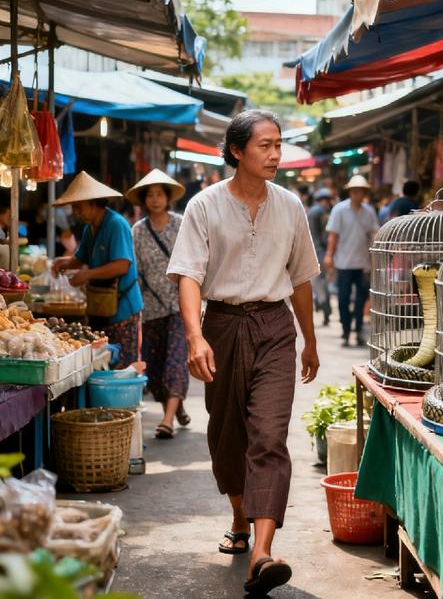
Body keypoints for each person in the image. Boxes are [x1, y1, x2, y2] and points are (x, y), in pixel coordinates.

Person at [167, 109, 320, 595]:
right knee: (227, 432)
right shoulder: (204, 206)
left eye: (279, 145)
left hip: (275, 326)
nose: (276, 155)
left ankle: (262, 552)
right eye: (266, 146)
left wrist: (310, 339)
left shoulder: (292, 206)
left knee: (270, 435)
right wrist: (195, 336)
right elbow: (188, 274)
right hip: (224, 326)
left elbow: (300, 278)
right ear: (237, 150)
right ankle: (239, 514)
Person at [51, 173, 144, 369]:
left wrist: (88, 274)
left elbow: (122, 265)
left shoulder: (115, 224)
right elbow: (81, 258)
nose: (76, 211)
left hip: (123, 309)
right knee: (100, 365)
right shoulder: (90, 228)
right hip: (100, 306)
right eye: (74, 207)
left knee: (120, 367)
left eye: (79, 206)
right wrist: (63, 262)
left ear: (94, 203)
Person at [126, 169, 191, 439]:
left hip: (179, 305)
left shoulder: (181, 224)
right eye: (149, 195)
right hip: (150, 308)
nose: (154, 199)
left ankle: (167, 421)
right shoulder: (137, 231)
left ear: (167, 198)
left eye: (159, 194)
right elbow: (135, 271)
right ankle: (175, 406)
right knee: (156, 363)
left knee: (176, 361)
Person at [324, 175, 379, 348]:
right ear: (350, 192)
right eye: (355, 191)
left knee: (361, 300)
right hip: (344, 263)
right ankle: (346, 330)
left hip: (363, 264)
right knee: (342, 299)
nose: (358, 194)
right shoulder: (339, 210)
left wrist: (375, 257)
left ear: (364, 193)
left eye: (361, 191)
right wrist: (329, 256)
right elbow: (333, 235)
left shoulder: (369, 211)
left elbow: (374, 234)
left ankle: (359, 329)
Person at [307, 188, 335, 326]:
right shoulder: (322, 213)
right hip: (320, 252)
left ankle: (320, 304)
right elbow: (325, 236)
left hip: (310, 252)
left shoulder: (310, 211)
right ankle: (325, 310)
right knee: (323, 284)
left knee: (316, 284)